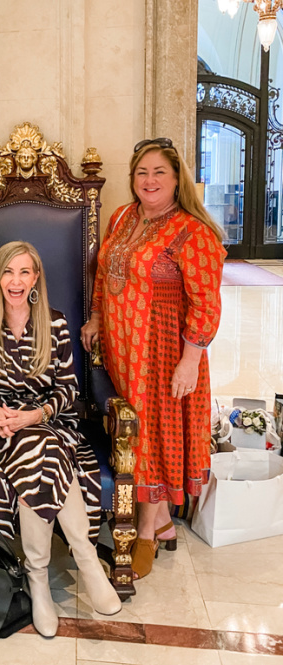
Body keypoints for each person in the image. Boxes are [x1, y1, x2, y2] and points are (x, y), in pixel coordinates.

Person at [0, 241, 121, 638]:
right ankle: (82, 562)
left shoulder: (54, 324)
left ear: (36, 278)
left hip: (46, 421)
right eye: (8, 272)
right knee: (43, 451)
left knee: (43, 445)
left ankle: (41, 577)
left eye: (24, 272)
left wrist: (36, 415)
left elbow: (69, 390)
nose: (16, 281)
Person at [81, 138, 226, 579]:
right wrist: (95, 318)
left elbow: (206, 304)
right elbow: (104, 272)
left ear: (176, 178)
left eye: (159, 172)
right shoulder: (123, 217)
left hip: (165, 354)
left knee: (152, 437)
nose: (149, 180)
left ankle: (145, 533)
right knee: (133, 431)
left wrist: (190, 361)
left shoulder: (193, 232)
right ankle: (160, 522)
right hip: (122, 349)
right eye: (142, 172)